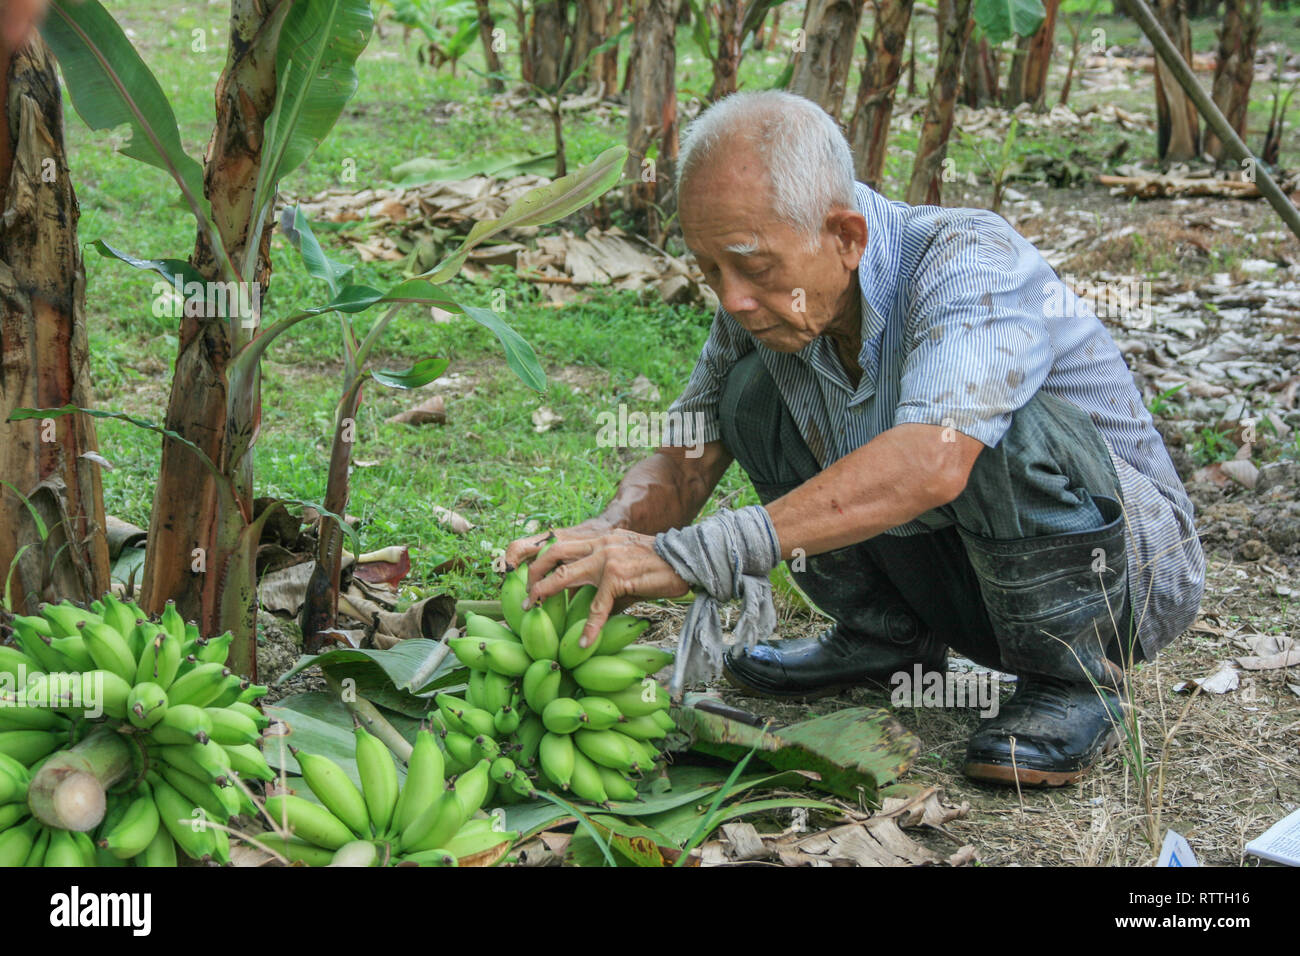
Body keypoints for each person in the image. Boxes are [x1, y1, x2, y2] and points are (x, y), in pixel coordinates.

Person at [504, 90, 1204, 788]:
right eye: (711, 267)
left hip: (1120, 582)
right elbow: (685, 459)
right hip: (966, 575)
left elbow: (934, 461)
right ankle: (887, 642)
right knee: (750, 399)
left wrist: (700, 554)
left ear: (847, 236)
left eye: (753, 264)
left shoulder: (966, 262)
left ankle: (1075, 680)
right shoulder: (762, 307)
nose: (732, 297)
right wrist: (606, 535)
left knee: (988, 430)